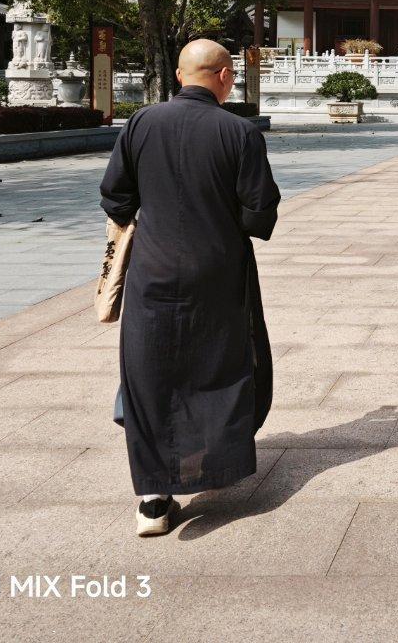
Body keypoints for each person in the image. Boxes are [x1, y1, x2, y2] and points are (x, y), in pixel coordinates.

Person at [99, 39, 280, 537]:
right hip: (218, 271)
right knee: (218, 367)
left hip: (152, 271)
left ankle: (153, 499)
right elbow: (259, 213)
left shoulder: (141, 123)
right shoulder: (239, 132)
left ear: (181, 76)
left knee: (149, 371)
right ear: (224, 76)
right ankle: (212, 468)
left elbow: (114, 195)